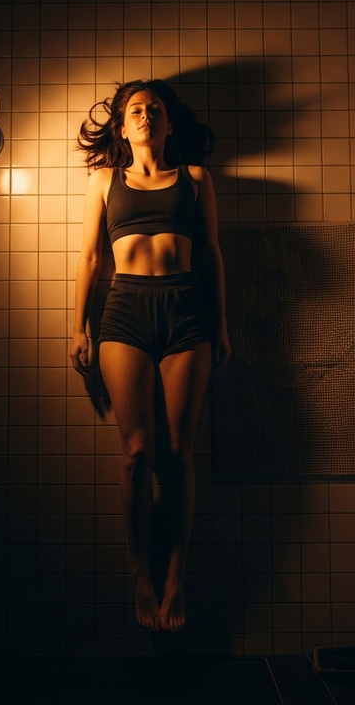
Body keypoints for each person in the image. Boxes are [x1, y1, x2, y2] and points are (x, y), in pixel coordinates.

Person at [69, 79, 230, 633]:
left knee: (180, 452)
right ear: (122, 126)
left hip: (185, 311)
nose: (145, 115)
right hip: (125, 313)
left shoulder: (195, 178)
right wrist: (78, 326)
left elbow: (210, 254)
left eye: (154, 108)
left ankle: (177, 576)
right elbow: (91, 258)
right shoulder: (103, 181)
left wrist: (221, 325)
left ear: (168, 123)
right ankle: (141, 573)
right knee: (137, 453)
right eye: (135, 109)